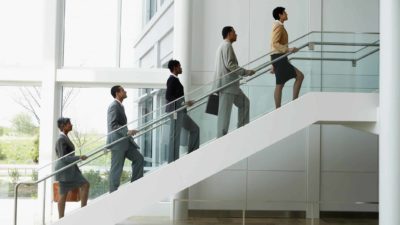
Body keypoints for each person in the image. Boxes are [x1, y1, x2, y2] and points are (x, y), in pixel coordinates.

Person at [214, 26, 255, 137]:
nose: (236, 34)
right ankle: (221, 141)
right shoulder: (227, 46)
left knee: (245, 103)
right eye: (234, 32)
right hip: (227, 86)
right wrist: (245, 72)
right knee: (224, 116)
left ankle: (242, 130)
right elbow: (230, 65)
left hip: (231, 86)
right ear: (229, 34)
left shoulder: (222, 46)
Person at [107, 85, 144, 193]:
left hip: (125, 141)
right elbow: (113, 125)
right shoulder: (113, 106)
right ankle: (112, 194)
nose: (125, 91)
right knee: (116, 170)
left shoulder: (120, 106)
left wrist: (127, 132)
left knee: (139, 158)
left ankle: (135, 186)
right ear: (118, 93)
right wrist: (126, 132)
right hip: (118, 143)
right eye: (123, 90)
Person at [165, 59, 200, 162]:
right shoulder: (171, 79)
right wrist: (183, 103)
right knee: (174, 137)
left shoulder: (175, 79)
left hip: (180, 111)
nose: (181, 68)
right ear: (175, 67)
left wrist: (183, 104)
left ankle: (192, 154)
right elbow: (168, 96)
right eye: (179, 66)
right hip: (175, 112)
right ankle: (173, 162)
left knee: (195, 129)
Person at [54, 117, 89, 218]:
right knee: (63, 194)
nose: (71, 125)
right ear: (63, 126)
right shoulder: (61, 139)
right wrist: (79, 157)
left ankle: (82, 212)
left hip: (70, 170)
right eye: (69, 124)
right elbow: (63, 158)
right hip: (65, 171)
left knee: (84, 185)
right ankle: (62, 219)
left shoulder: (65, 137)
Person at [270, 6, 304, 108]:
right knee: (298, 76)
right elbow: (274, 43)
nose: (287, 14)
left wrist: (273, 63)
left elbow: (272, 45)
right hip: (279, 57)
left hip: (279, 57)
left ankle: (279, 108)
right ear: (280, 15)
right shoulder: (278, 26)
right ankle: (292, 103)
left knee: (280, 84)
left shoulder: (279, 26)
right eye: (285, 13)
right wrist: (288, 49)